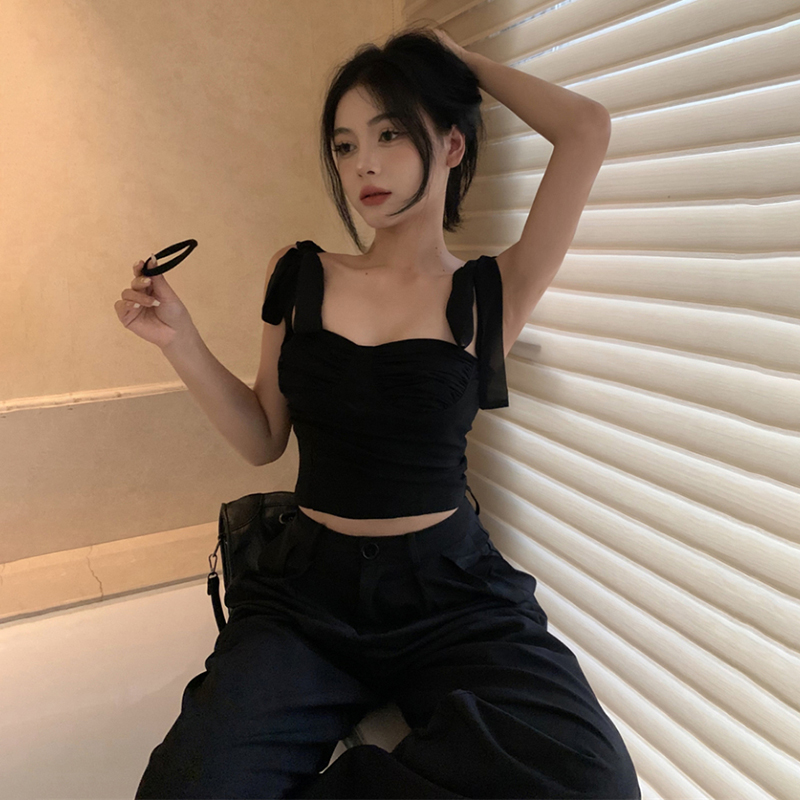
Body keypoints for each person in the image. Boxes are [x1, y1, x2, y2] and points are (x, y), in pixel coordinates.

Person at [118, 23, 640, 800]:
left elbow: (586, 128)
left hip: (451, 595)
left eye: (390, 133)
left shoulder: (491, 292)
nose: (363, 162)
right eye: (344, 144)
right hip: (307, 595)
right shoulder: (300, 274)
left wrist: (457, 62)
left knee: (592, 780)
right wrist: (180, 341)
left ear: (452, 146)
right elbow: (263, 439)